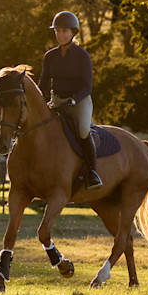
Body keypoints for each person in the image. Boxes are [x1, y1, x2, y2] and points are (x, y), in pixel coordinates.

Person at [39, 11, 102, 190]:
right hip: (57, 101)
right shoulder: (49, 56)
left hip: (79, 102)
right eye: (57, 31)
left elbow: (87, 87)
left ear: (73, 33)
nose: (60, 35)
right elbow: (43, 85)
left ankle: (93, 172)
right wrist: (37, 103)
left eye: (64, 31)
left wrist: (72, 102)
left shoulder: (83, 56)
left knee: (83, 130)